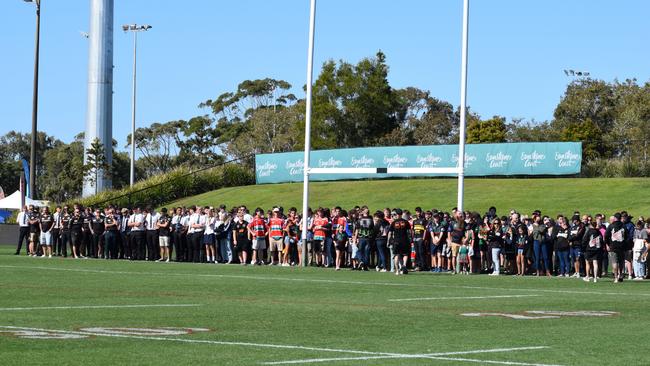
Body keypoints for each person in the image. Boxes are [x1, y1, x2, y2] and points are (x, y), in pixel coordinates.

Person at [605, 213, 628, 283]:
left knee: (614, 262)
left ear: (615, 218)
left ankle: (615, 277)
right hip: (622, 246)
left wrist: (608, 244)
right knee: (621, 261)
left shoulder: (611, 225)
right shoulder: (624, 226)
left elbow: (606, 236)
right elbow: (627, 236)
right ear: (620, 218)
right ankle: (620, 274)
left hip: (613, 246)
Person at [388, 208, 411, 275]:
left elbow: (390, 233)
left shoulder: (393, 222)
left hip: (396, 241)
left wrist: (389, 241)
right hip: (405, 240)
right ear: (401, 214)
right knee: (405, 254)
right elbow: (409, 232)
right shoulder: (406, 222)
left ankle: (397, 270)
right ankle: (404, 265)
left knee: (396, 255)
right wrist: (410, 239)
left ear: (396, 214)